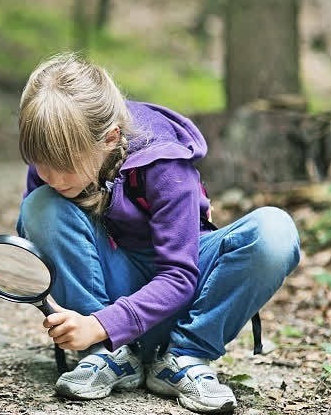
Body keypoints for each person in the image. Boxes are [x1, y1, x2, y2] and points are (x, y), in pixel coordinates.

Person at [16, 53, 300, 414]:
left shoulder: (164, 165)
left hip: (183, 298)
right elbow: (41, 245)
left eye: (65, 165)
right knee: (40, 206)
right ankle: (108, 358)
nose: (51, 177)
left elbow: (180, 276)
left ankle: (184, 358)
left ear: (110, 138)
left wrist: (101, 324)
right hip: (108, 298)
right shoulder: (51, 169)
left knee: (275, 230)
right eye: (41, 163)